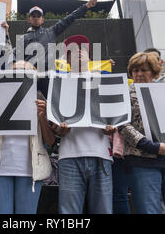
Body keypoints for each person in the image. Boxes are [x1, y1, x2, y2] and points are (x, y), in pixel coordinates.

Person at [117, 52, 165, 214]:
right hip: (141, 159)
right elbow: (122, 124)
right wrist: (151, 146)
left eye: (144, 70)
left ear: (155, 72)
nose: (139, 74)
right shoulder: (124, 94)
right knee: (149, 210)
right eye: (135, 71)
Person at [0, 61, 55, 214]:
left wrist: (42, 116)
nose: (19, 73)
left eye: (24, 70)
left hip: (31, 170)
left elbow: (50, 141)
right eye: (15, 70)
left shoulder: (41, 102)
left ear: (34, 76)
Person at [54, 40, 115, 214]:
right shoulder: (58, 82)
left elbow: (114, 115)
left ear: (89, 56)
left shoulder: (104, 78)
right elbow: (53, 121)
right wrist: (59, 130)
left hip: (101, 154)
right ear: (66, 59)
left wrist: (112, 126)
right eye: (72, 51)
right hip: (69, 154)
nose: (78, 52)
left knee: (103, 210)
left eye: (82, 50)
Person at [17, 0, 98, 96]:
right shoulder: (23, 38)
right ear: (29, 19)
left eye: (39, 16)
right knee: (29, 106)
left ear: (43, 19)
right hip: (30, 76)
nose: (36, 17)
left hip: (49, 76)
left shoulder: (51, 32)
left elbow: (69, 18)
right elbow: (15, 59)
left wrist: (86, 6)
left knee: (52, 106)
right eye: (33, 16)